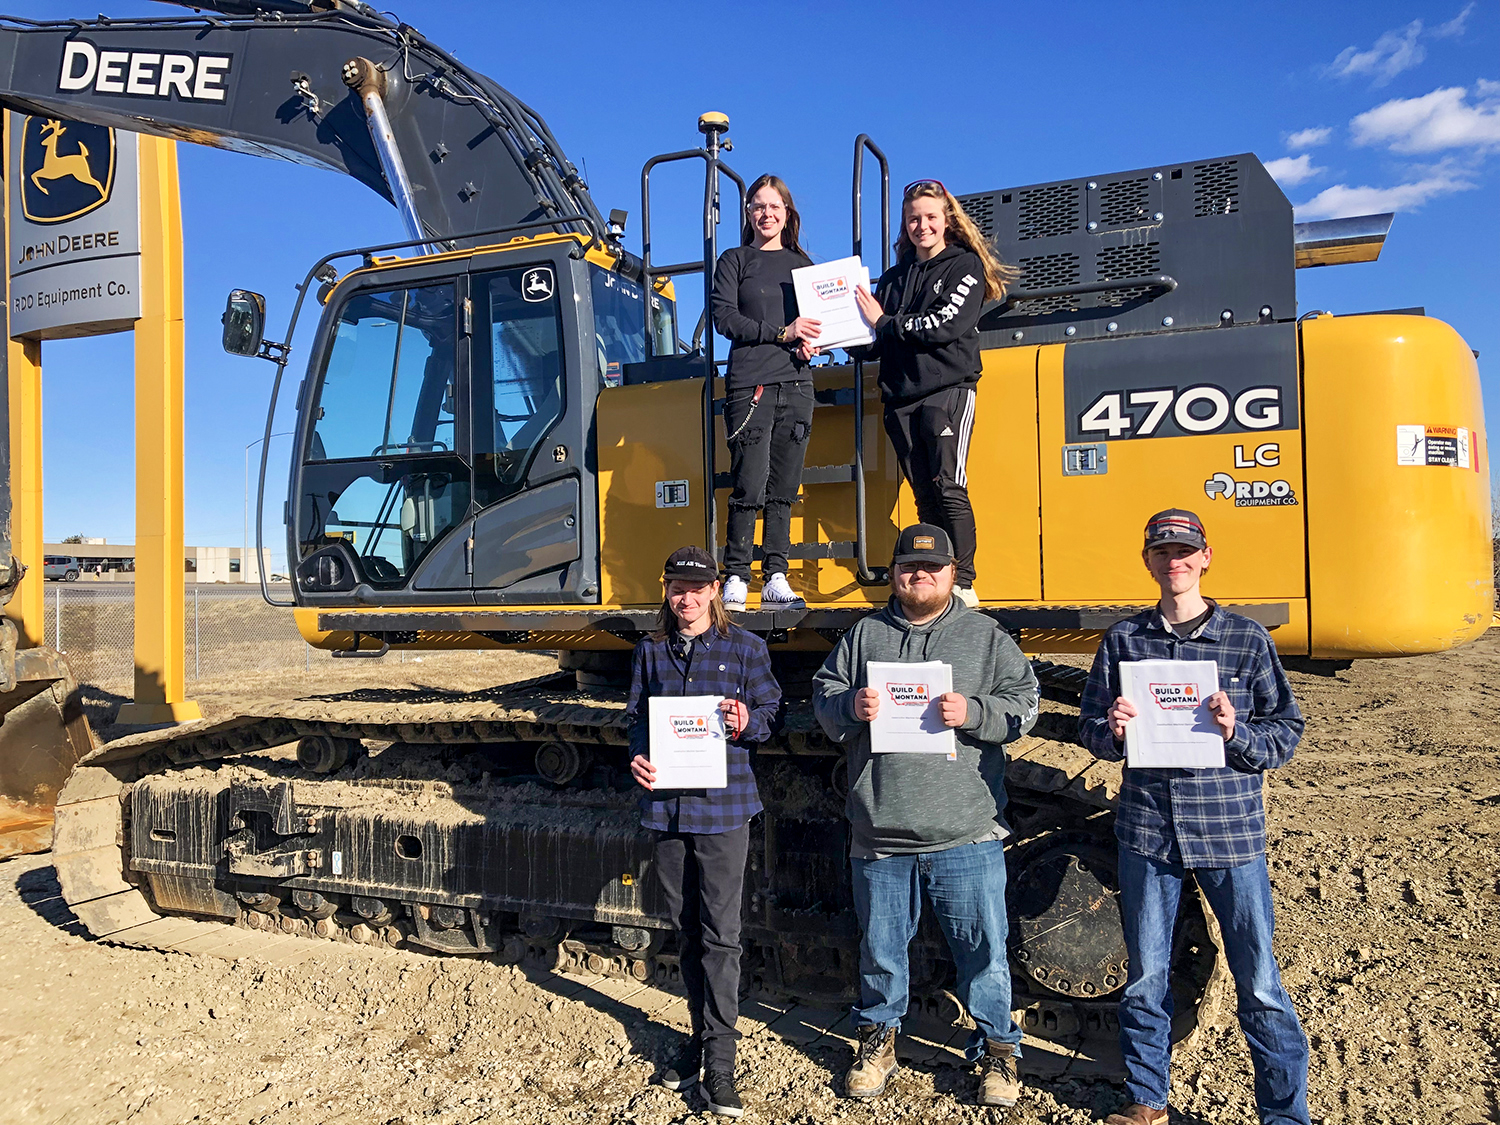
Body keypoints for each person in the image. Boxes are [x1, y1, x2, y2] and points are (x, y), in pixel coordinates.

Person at [1077, 509, 1310, 1125]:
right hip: (1149, 830)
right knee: (1145, 977)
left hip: (1229, 831)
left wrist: (1238, 733)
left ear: (1205, 557)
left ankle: (1284, 1115)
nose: (1173, 560)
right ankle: (1148, 1100)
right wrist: (1113, 729)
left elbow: (1285, 733)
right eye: (1161, 550)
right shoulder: (1124, 640)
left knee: (1259, 980)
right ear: (1147, 560)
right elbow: (1091, 730)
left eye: (1184, 550)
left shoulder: (1246, 639)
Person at [811, 523, 1039, 1108]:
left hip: (963, 829)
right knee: (881, 949)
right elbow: (823, 694)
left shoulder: (984, 636)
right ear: (894, 573)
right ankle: (879, 1041)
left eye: (933, 568)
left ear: (953, 574)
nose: (920, 575)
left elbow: (1025, 705)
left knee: (983, 950)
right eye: (910, 567)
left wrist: (976, 711)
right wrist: (848, 705)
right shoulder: (864, 635)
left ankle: (998, 1052)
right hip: (880, 827)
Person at [626, 545, 782, 1119]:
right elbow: (636, 721)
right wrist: (637, 759)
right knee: (686, 931)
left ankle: (720, 1062)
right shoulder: (650, 652)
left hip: (722, 813)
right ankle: (698, 1038)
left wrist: (749, 722)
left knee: (721, 936)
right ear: (666, 591)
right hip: (666, 812)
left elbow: (772, 712)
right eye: (675, 588)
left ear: (715, 590)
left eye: (695, 588)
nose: (684, 598)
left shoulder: (746, 648)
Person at [850, 180, 1015, 608]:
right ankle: (935, 580)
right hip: (900, 397)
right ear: (904, 227)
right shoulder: (892, 279)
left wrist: (885, 323)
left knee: (948, 485)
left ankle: (964, 582)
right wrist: (831, 333)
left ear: (947, 220)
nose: (921, 225)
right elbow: (870, 340)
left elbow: (943, 325)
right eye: (913, 219)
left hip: (947, 391)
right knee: (923, 494)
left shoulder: (964, 267)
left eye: (929, 217)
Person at [710, 173, 821, 611]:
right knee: (748, 484)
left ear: (787, 213)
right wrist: (781, 331)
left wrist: (814, 340)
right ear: (748, 213)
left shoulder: (804, 264)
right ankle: (736, 575)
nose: (766, 213)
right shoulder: (735, 260)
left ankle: (776, 574)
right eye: (758, 206)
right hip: (749, 385)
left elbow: (818, 323)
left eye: (774, 206)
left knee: (784, 487)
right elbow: (724, 319)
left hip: (796, 384)